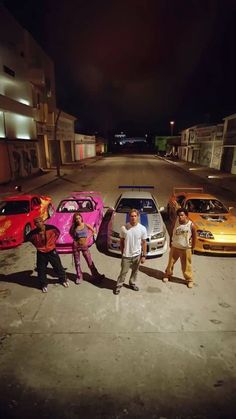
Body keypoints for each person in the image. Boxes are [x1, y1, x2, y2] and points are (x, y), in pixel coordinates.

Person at [26, 217, 69, 293]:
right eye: (36, 222)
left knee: (58, 266)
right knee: (41, 269)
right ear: (35, 224)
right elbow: (28, 238)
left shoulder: (51, 228)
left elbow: (57, 233)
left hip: (51, 251)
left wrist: (51, 242)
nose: (38, 223)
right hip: (41, 253)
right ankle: (43, 284)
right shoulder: (33, 233)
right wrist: (38, 246)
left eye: (40, 221)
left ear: (43, 222)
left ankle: (63, 279)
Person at [114, 208, 147, 295]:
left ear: (138, 217)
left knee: (135, 271)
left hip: (137, 255)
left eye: (135, 216)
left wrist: (144, 255)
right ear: (129, 217)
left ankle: (132, 283)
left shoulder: (142, 229)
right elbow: (121, 241)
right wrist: (123, 253)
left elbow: (144, 243)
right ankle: (119, 285)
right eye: (132, 216)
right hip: (126, 256)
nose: (133, 218)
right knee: (123, 272)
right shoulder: (124, 228)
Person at [163, 207, 196, 288]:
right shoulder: (175, 222)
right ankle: (168, 275)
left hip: (185, 249)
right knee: (170, 263)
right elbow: (171, 232)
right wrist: (171, 241)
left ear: (186, 216)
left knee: (186, 266)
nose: (180, 217)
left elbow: (195, 237)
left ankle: (189, 280)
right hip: (175, 247)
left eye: (182, 215)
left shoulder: (191, 225)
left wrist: (193, 248)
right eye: (179, 215)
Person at [69, 212, 104, 284]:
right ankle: (79, 276)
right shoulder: (74, 227)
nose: (78, 220)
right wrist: (75, 239)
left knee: (89, 261)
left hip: (84, 246)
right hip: (76, 246)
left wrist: (88, 238)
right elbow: (70, 233)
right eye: (76, 219)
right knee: (77, 262)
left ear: (81, 218)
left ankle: (96, 275)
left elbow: (94, 231)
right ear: (75, 220)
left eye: (79, 218)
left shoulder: (86, 225)